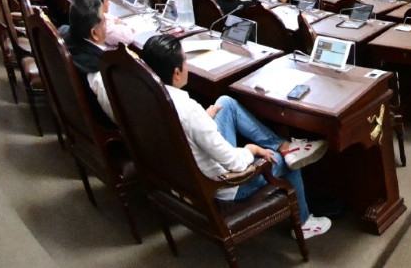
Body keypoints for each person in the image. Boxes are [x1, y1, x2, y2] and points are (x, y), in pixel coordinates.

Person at [137, 34, 331, 238]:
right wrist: (251, 150)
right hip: (224, 185)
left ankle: (285, 145)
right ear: (176, 73)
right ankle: (304, 223)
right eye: (185, 60)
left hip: (186, 176)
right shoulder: (188, 111)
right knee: (291, 163)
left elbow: (184, 130)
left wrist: (204, 119)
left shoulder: (147, 97)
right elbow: (235, 164)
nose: (187, 65)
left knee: (226, 103)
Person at [65, 0, 117, 127]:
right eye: (104, 21)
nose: (106, 24)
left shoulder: (65, 34)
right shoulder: (98, 71)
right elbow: (118, 116)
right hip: (102, 127)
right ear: (94, 33)